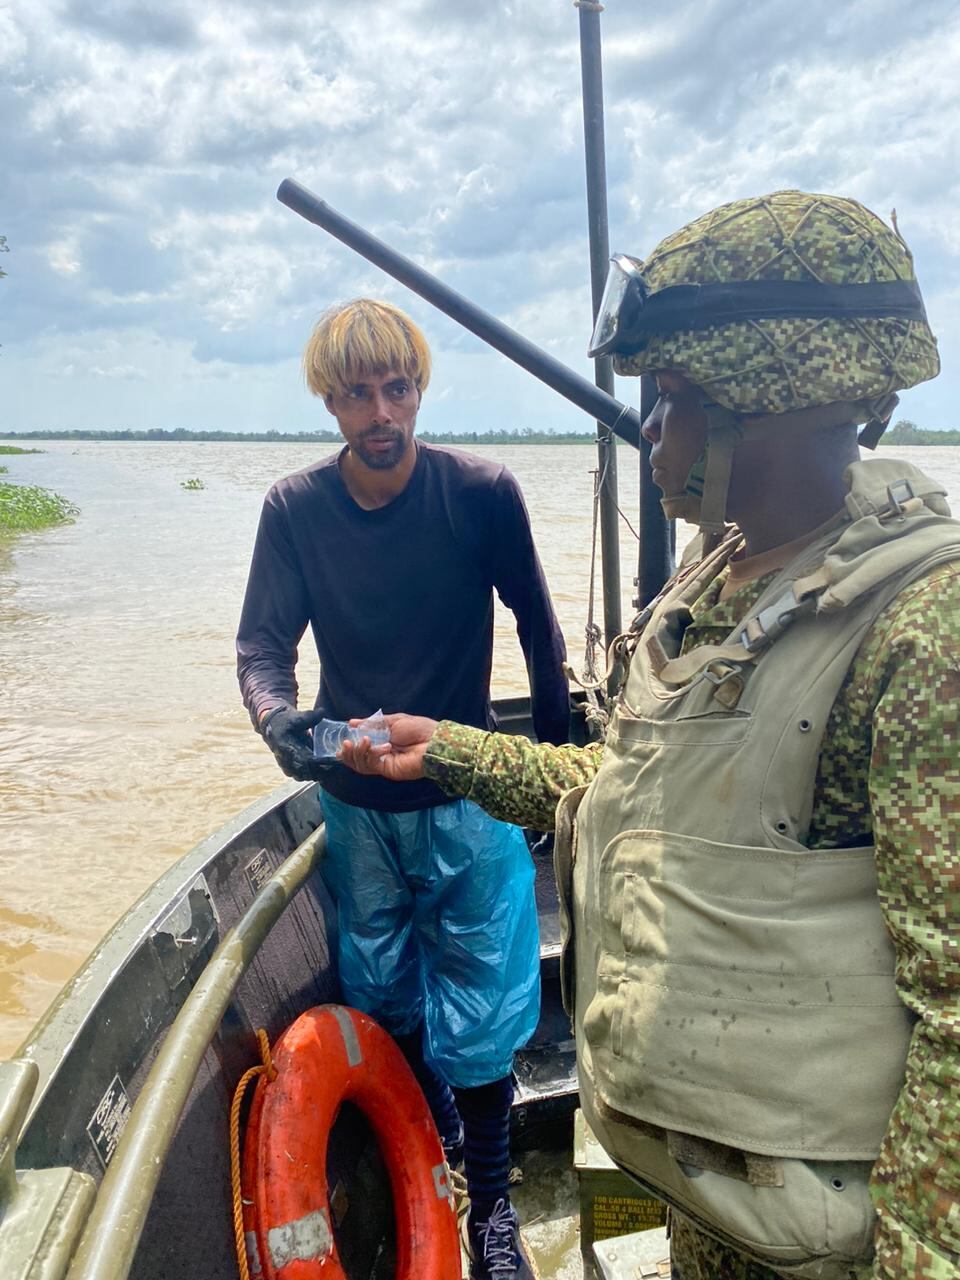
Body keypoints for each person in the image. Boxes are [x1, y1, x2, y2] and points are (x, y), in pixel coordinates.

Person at [340, 192, 960, 1280]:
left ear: (767, 401)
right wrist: (452, 748)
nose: (649, 430)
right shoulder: (714, 583)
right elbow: (628, 783)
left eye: (669, 397)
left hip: (802, 1234)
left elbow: (952, 1019)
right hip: (652, 1154)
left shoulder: (919, 634)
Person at [236, 297, 569, 1280]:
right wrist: (283, 724)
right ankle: (432, 1160)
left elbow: (541, 634)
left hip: (464, 794)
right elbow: (263, 646)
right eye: (356, 393)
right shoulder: (294, 511)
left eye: (398, 387)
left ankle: (494, 1209)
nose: (380, 411)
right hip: (357, 805)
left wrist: (547, 781)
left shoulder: (481, 493)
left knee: (486, 1006)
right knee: (384, 989)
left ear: (419, 390)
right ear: (329, 402)